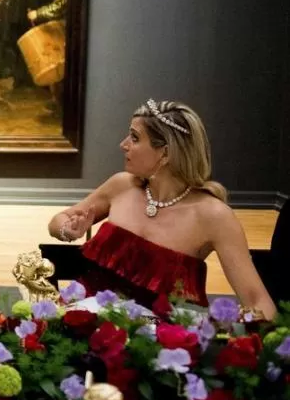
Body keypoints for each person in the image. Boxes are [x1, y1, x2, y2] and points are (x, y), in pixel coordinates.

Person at [48, 99, 277, 319]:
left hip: (154, 344)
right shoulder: (121, 186)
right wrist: (68, 230)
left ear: (165, 153)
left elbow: (257, 300)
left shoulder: (213, 216)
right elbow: (57, 222)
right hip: (85, 324)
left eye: (135, 138)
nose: (123, 144)